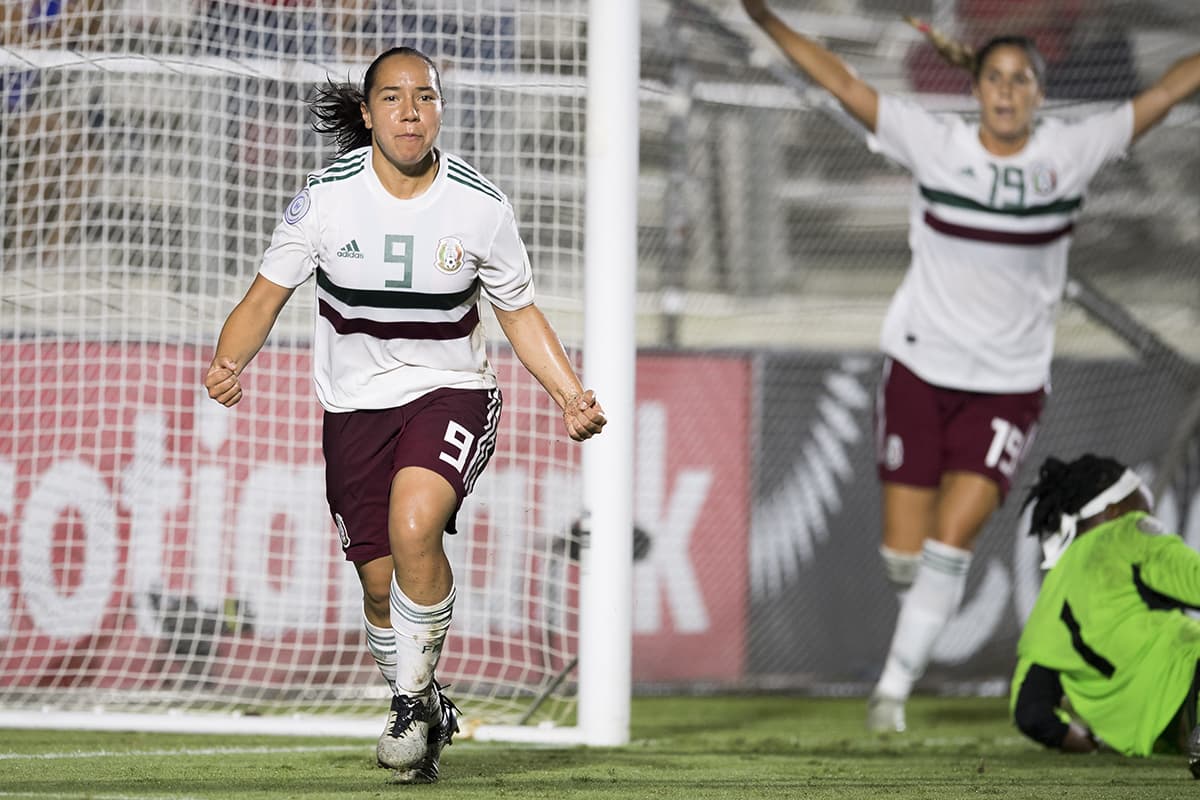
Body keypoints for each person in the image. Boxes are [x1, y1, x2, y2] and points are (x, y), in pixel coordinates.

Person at [740, 0, 1200, 733]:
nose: (1009, 91)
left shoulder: (1071, 153)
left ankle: (892, 689)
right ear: (977, 88)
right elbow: (842, 83)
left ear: (1039, 94)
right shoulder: (936, 144)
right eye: (996, 78)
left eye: (1022, 79)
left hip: (1008, 387)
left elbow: (1169, 90)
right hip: (921, 368)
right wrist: (767, 21)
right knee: (902, 553)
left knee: (952, 538)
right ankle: (909, 625)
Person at [203, 46, 606, 783]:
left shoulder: (481, 206)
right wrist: (229, 362)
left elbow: (518, 312)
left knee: (414, 524)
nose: (410, 111)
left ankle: (409, 701)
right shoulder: (325, 200)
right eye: (391, 98)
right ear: (367, 114)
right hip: (354, 406)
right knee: (380, 584)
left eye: (424, 96)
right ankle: (424, 707)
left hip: (450, 389)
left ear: (442, 109)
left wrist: (568, 393)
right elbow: (265, 298)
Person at [1014, 454, 1200, 776]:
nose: (1148, 510)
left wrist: (1089, 743)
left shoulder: (1046, 605)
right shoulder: (1127, 533)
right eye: (1141, 499)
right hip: (1189, 676)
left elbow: (1030, 713)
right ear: (1114, 510)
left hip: (1166, 736)